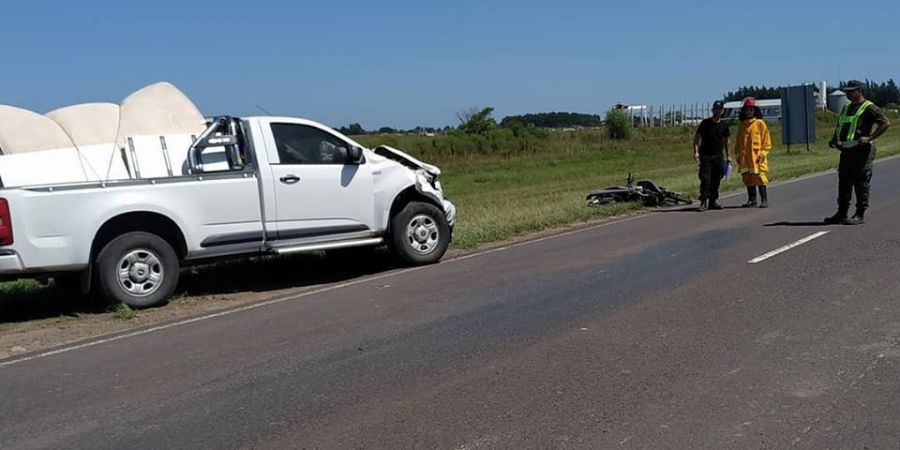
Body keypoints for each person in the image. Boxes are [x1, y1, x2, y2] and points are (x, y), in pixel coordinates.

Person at [824, 80, 891, 225]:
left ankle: (859, 213)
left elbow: (885, 123)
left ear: (860, 91)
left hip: (862, 151)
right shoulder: (847, 107)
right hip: (846, 150)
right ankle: (841, 213)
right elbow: (841, 124)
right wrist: (834, 139)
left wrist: (870, 137)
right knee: (844, 182)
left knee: (861, 182)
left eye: (851, 91)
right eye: (846, 91)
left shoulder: (869, 107)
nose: (848, 94)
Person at [693, 100, 732, 211]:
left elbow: (727, 141)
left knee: (716, 179)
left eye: (719, 109)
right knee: (705, 179)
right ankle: (703, 201)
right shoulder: (705, 123)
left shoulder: (724, 125)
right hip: (705, 155)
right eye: (715, 109)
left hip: (718, 156)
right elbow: (697, 138)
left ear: (722, 111)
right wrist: (695, 151)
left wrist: (729, 155)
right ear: (712, 110)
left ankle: (713, 201)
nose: (717, 111)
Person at [735, 97, 772, 208]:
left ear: (755, 110)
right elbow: (738, 142)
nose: (749, 111)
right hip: (745, 159)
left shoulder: (760, 123)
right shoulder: (742, 125)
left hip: (757, 158)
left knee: (760, 178)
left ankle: (764, 200)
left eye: (751, 109)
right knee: (747, 178)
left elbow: (766, 142)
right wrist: (737, 155)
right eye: (747, 109)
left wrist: (763, 153)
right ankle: (752, 200)